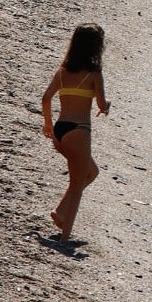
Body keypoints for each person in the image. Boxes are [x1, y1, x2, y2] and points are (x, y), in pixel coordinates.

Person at [40, 24, 110, 241]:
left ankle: (60, 211)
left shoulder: (62, 71)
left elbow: (46, 98)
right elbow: (101, 104)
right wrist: (107, 105)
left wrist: (48, 124)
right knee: (78, 184)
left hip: (60, 131)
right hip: (79, 131)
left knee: (91, 172)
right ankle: (65, 236)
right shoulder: (94, 74)